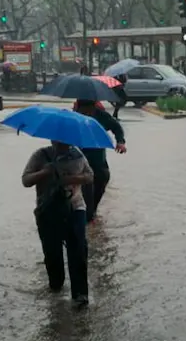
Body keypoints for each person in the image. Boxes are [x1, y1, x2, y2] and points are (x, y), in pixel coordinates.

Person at [21, 141, 94, 307]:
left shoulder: (78, 155)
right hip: (48, 210)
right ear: (52, 140)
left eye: (66, 142)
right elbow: (26, 180)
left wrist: (72, 179)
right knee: (52, 252)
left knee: (78, 250)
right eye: (59, 141)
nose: (63, 144)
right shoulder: (41, 155)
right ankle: (56, 286)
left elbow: (90, 176)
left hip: (75, 207)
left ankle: (80, 295)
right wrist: (45, 172)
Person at [73, 99, 127, 223]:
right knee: (85, 193)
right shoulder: (72, 118)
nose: (87, 114)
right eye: (84, 111)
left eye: (90, 111)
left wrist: (120, 142)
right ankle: (87, 217)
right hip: (79, 160)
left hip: (98, 158)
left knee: (101, 181)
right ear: (78, 109)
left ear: (94, 108)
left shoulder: (101, 116)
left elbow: (116, 127)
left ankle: (92, 213)